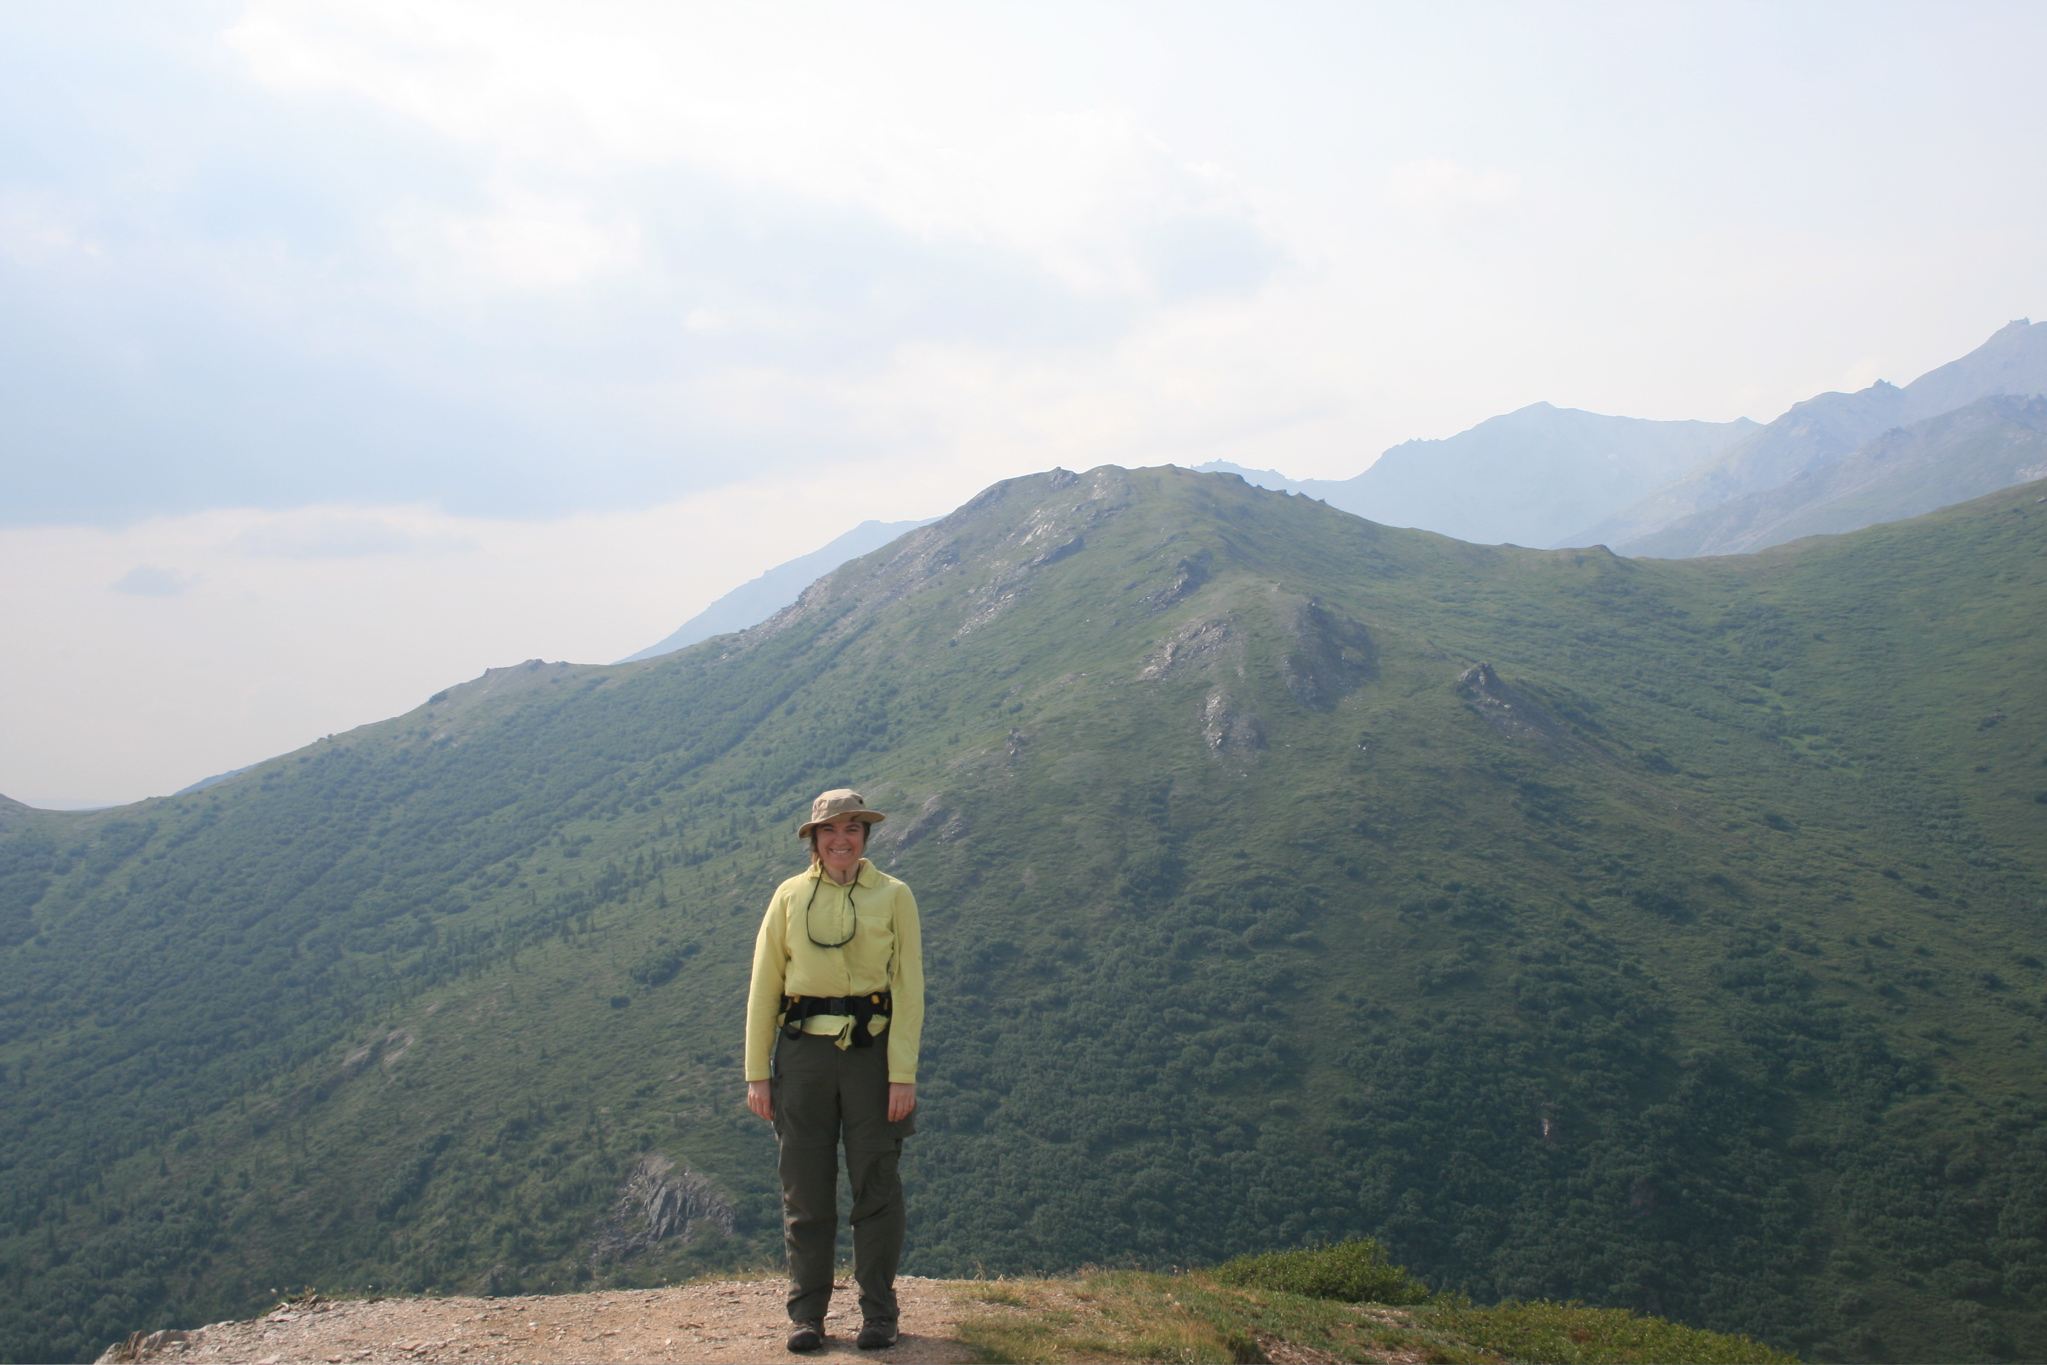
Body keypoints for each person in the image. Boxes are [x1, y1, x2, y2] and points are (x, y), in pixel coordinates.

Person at [744, 789, 924, 1353]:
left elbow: (909, 989)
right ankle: (807, 1318)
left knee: (876, 1182)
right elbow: (765, 984)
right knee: (805, 1188)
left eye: (851, 828)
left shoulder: (894, 896)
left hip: (872, 1056)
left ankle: (879, 1314)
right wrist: (757, 1073)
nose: (841, 839)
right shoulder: (789, 896)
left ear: (866, 836)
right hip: (801, 1058)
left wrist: (903, 1074)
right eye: (829, 830)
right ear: (814, 840)